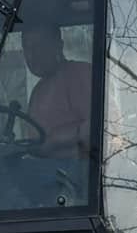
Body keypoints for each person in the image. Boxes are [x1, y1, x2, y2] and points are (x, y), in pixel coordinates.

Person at [22, 26, 94, 157]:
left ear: (58, 46)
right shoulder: (38, 90)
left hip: (81, 173)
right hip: (44, 172)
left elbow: (102, 126)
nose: (32, 54)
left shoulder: (80, 75)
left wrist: (54, 140)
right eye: (27, 48)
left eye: (39, 46)